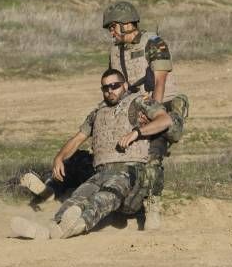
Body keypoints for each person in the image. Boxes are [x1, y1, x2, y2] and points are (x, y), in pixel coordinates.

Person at [20, 1, 189, 230]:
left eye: (113, 27)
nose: (111, 32)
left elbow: (160, 81)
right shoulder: (115, 49)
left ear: (127, 25)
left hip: (163, 101)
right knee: (103, 146)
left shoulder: (154, 43)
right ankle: (55, 187)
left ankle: (152, 206)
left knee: (153, 148)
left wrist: (152, 115)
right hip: (133, 102)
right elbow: (115, 81)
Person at [11, 68, 173, 240]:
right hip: (102, 172)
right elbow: (78, 138)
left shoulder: (139, 102)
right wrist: (59, 157)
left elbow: (165, 120)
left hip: (130, 172)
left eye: (115, 85)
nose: (110, 90)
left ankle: (77, 225)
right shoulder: (97, 113)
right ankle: (49, 229)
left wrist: (137, 133)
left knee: (105, 197)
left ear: (125, 85)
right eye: (105, 87)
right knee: (77, 199)